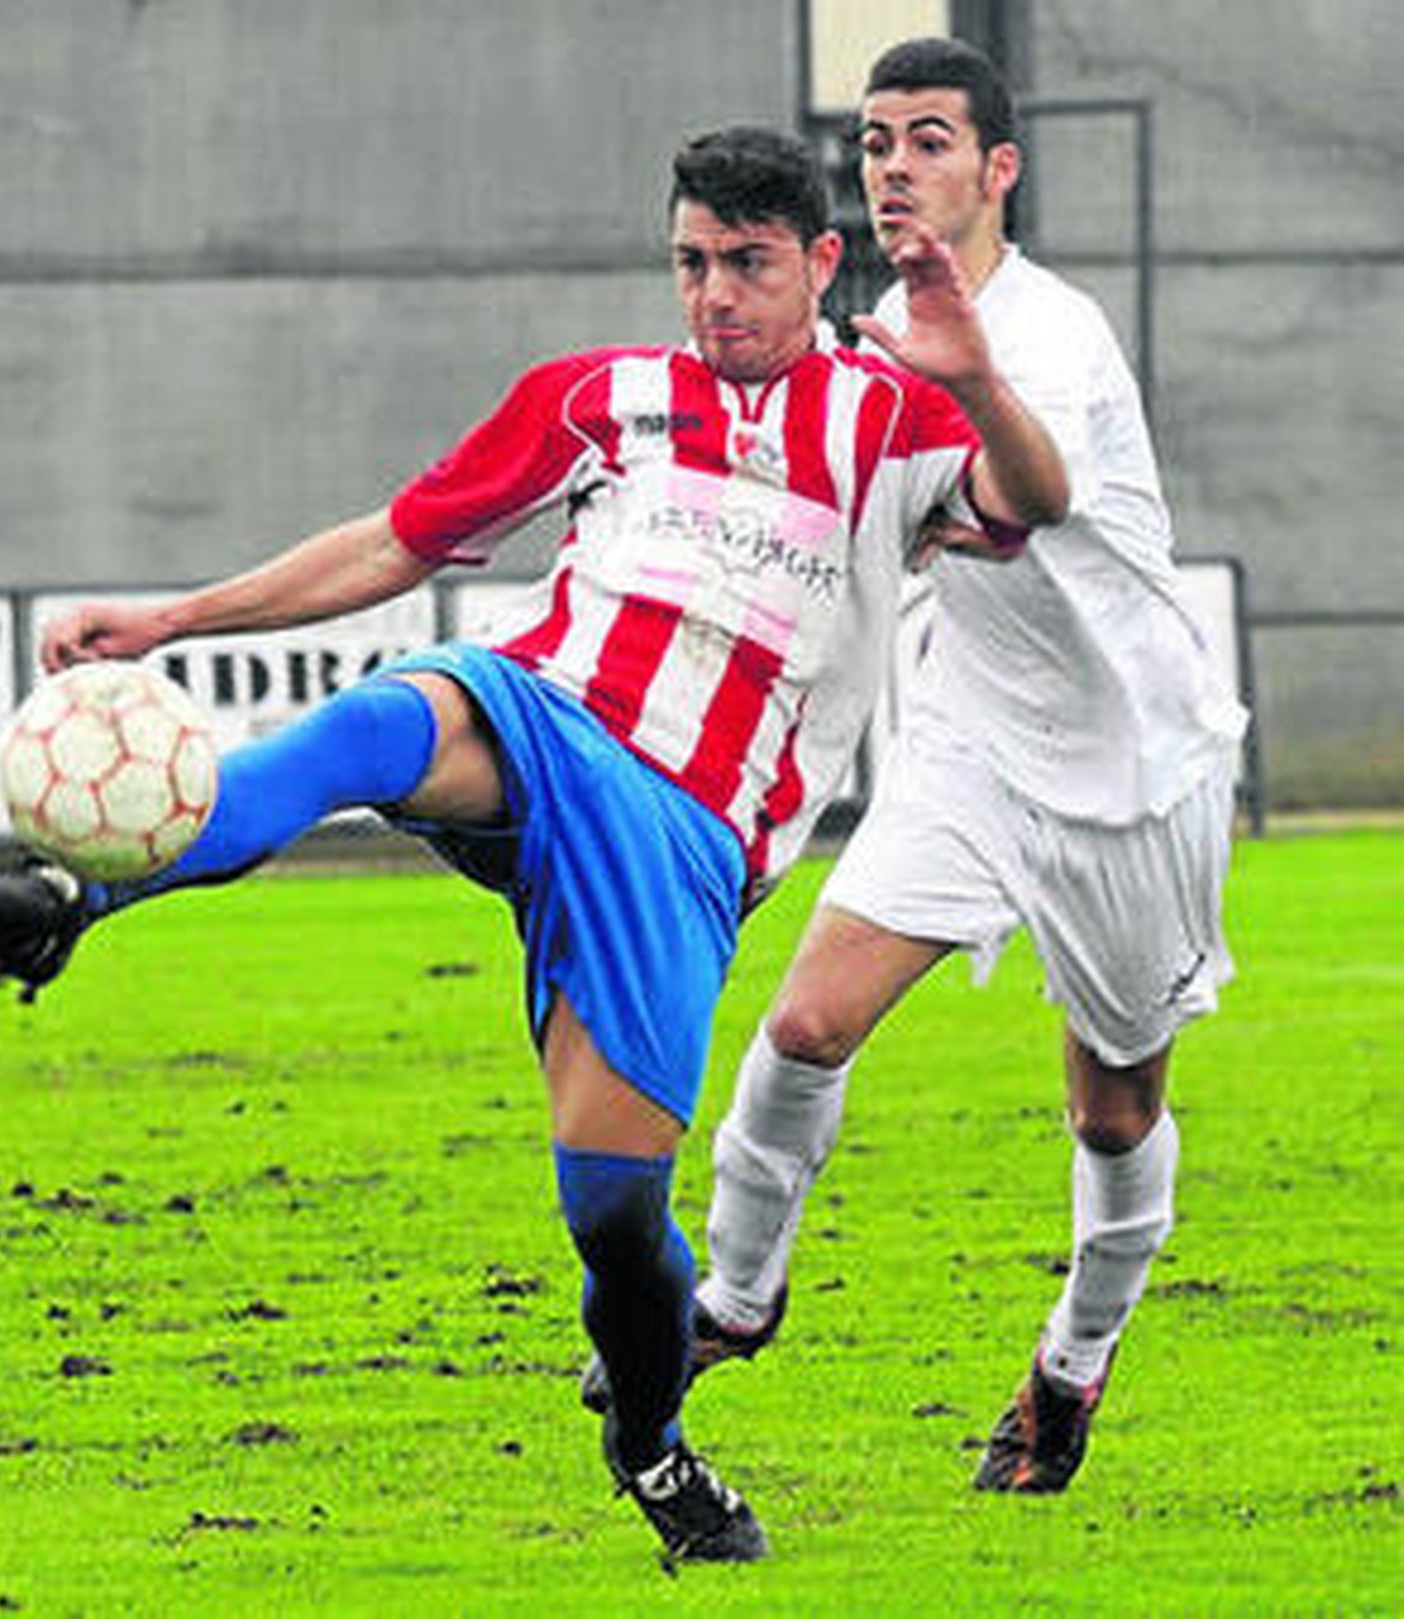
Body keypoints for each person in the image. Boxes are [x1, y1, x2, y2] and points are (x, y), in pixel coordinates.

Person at [0, 125, 1067, 1563]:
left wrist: (976, 379)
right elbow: (397, 542)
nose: (714, 296)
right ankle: (78, 892)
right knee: (377, 726)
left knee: (615, 1224)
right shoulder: (600, 399)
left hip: (685, 833)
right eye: (690, 264)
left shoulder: (895, 423)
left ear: (819, 262)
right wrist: (170, 622)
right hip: (539, 715)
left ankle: (655, 1458)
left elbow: (1036, 504)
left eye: (747, 265)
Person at [666, 42, 1247, 1495]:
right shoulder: (865, 342)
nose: (893, 168)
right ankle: (733, 1300)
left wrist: (969, 388)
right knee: (803, 1024)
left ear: (998, 171)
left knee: (1113, 1111)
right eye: (874, 143)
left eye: (929, 140)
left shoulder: (1047, 333)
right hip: (972, 742)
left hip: (1131, 772)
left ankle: (1073, 1358)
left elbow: (1022, 500)